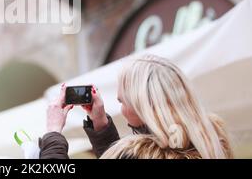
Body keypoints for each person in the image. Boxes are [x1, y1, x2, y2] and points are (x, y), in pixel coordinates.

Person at [39, 54, 233, 159]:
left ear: (143, 107)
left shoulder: (135, 154)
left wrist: (53, 134)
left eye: (122, 101)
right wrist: (100, 125)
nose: (121, 108)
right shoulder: (213, 146)